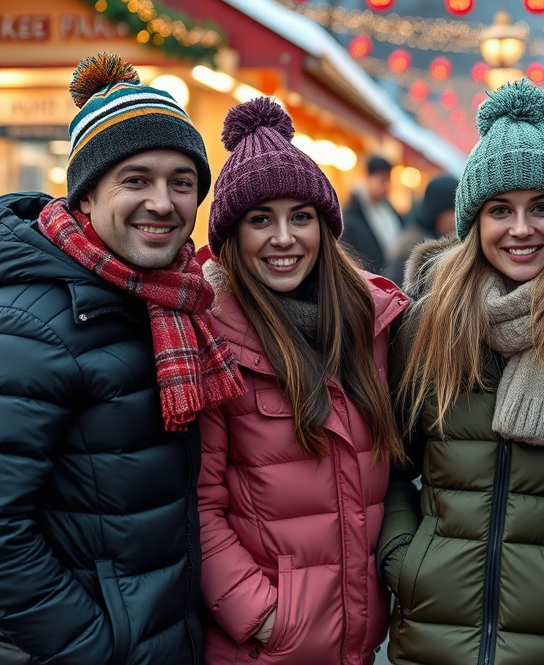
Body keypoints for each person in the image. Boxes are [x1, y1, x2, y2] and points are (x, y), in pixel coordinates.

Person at [0, 52, 245, 664]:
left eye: (181, 182)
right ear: (86, 197)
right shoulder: (35, 322)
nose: (162, 203)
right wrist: (94, 647)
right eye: (135, 180)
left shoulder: (172, 303)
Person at [376, 80, 544, 665]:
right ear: (473, 221)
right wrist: (406, 558)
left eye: (542, 207)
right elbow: (388, 465)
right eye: (499, 210)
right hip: (435, 629)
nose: (521, 228)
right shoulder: (430, 326)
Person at [196, 98, 409, 664]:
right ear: (233, 237)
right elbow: (199, 504)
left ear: (325, 227)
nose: (284, 238)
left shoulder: (374, 325)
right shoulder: (214, 337)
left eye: (301, 216)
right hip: (262, 647)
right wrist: (265, 616)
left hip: (360, 640)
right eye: (260, 220)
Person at [382, 173, 458, 287]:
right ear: (438, 212)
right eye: (453, 211)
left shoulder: (432, 236)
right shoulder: (412, 246)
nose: (457, 219)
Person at [342, 154, 403, 273]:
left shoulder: (389, 210)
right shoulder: (351, 215)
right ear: (368, 178)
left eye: (389, 180)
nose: (387, 186)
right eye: (382, 180)